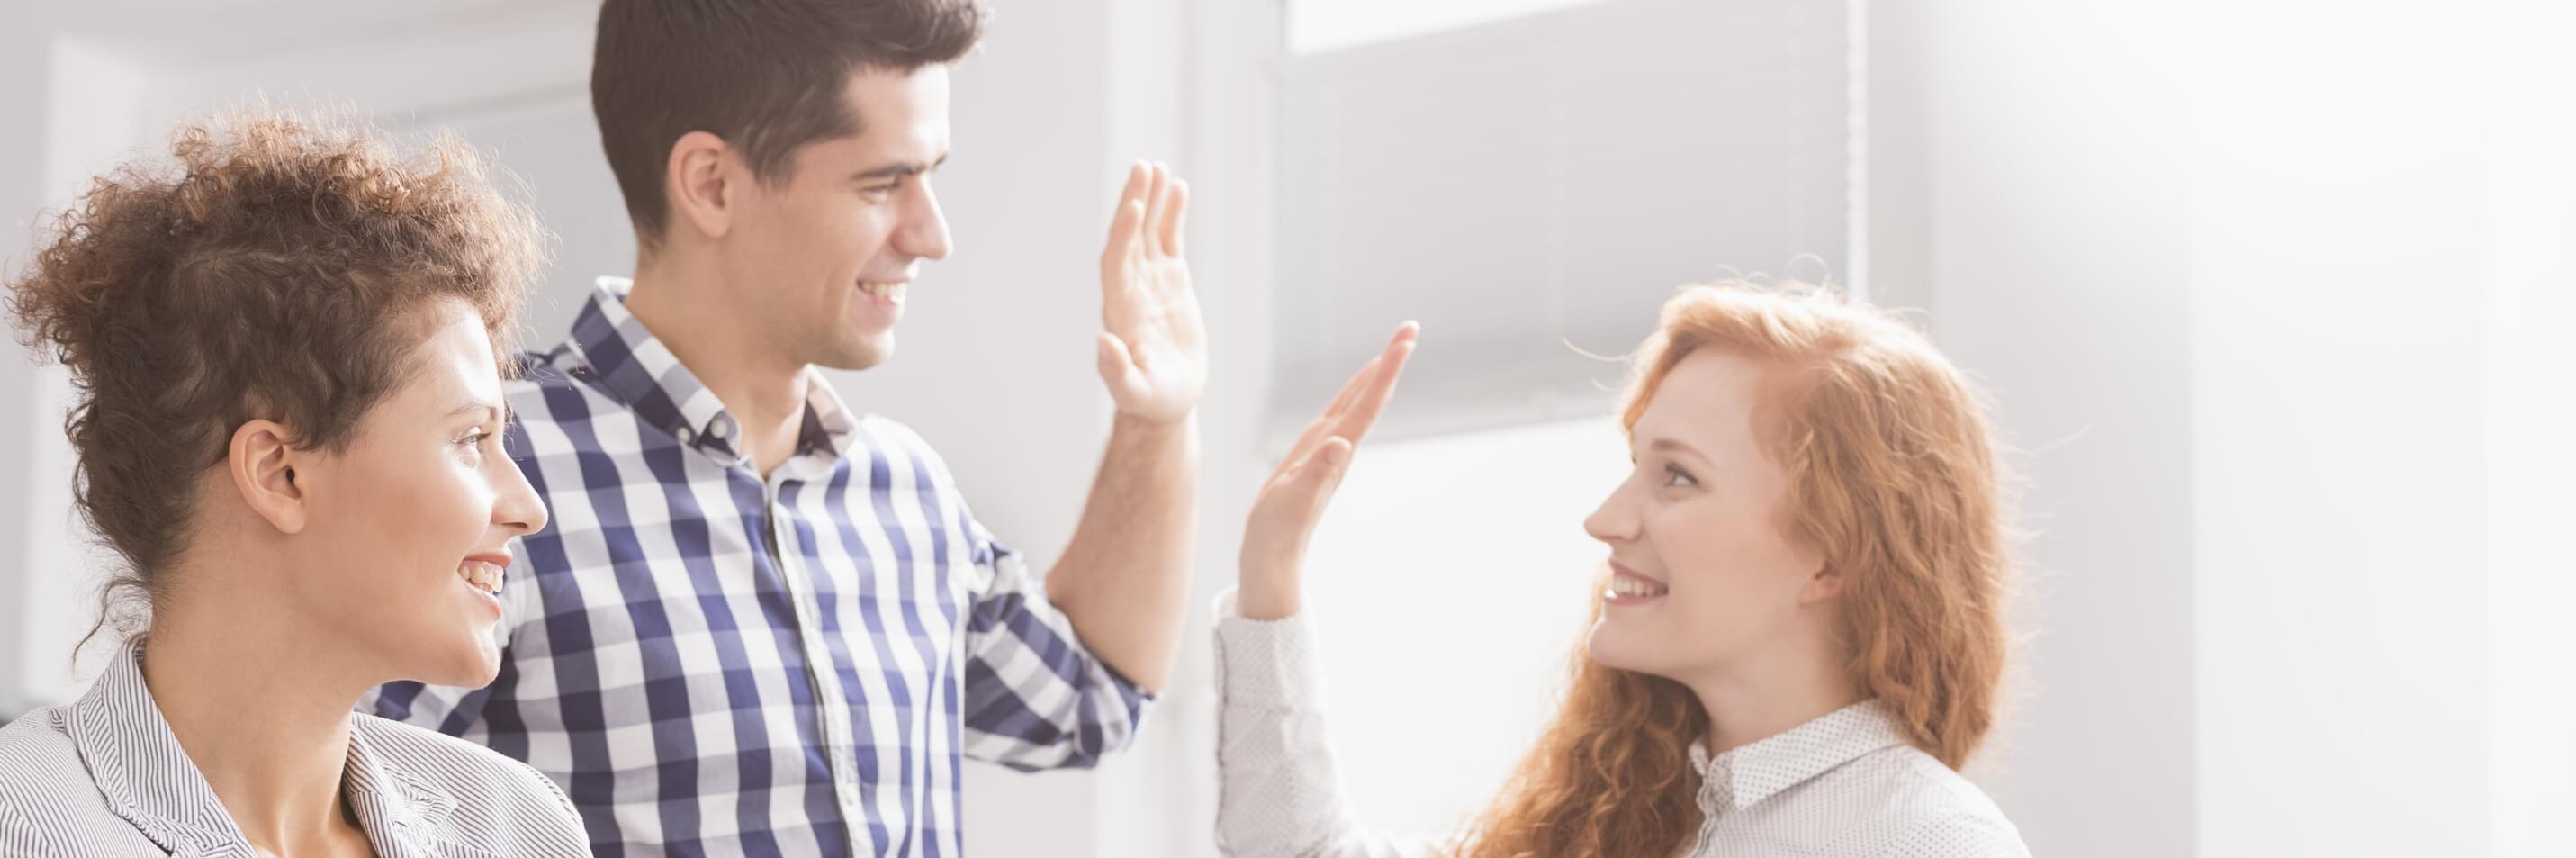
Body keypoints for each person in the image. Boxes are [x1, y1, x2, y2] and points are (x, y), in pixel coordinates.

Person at [365, 1, 1203, 853]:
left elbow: (1091, 697)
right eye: (882, 184)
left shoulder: (904, 494)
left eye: (931, 176)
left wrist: (1155, 422)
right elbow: (317, 790)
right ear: (711, 184)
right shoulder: (497, 470)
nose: (932, 236)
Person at [1220, 283, 2031, 857]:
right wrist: (1271, 575)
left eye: (1677, 475)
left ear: (1830, 554)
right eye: (1635, 463)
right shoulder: (1629, 815)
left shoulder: (1927, 840)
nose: (1606, 519)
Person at [0, 110, 587, 856]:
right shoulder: (23, 828)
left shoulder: (517, 825)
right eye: (471, 438)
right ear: (281, 473)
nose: (528, 508)